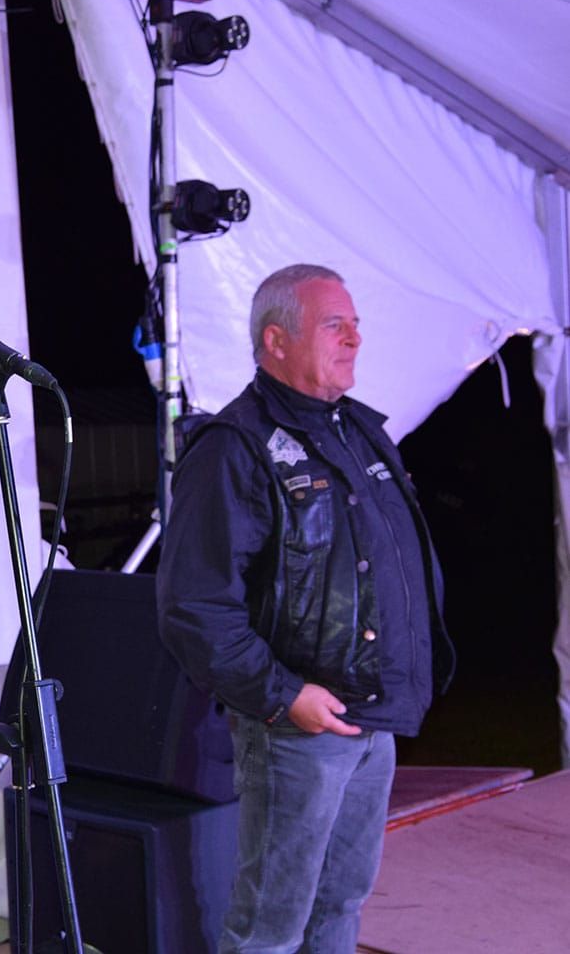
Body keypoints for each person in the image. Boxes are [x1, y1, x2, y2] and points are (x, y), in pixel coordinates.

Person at [157, 264, 454, 953]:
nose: (355, 338)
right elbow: (193, 606)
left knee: (340, 905)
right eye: (334, 325)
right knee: (270, 928)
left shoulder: (360, 431)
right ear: (277, 339)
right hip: (298, 730)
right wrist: (286, 696)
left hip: (371, 720)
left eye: (356, 325)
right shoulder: (233, 448)